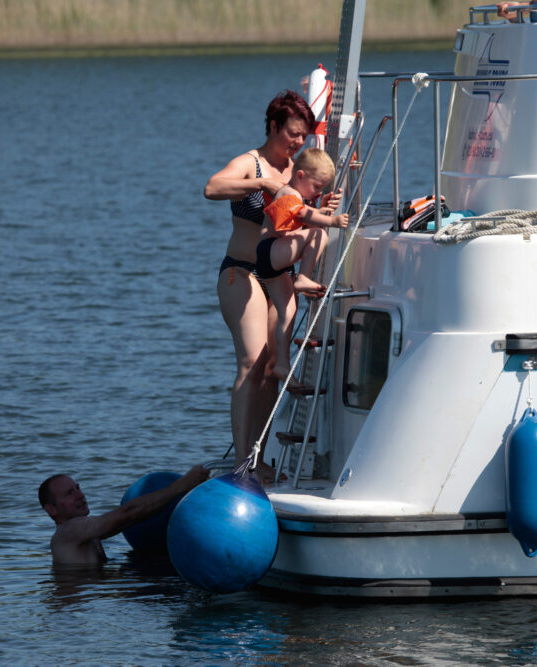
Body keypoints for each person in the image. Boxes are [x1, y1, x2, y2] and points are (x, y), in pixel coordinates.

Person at [203, 90, 340, 481]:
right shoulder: (252, 163)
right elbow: (212, 188)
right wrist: (261, 185)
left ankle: (256, 457)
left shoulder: (301, 168)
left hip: (276, 278)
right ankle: (241, 463)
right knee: (251, 360)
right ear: (274, 126)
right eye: (292, 134)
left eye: (304, 135)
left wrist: (322, 209)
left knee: (268, 368)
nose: (298, 142)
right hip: (241, 273)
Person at [257, 148, 348, 380]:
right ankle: (303, 277)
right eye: (316, 187)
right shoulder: (289, 193)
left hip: (270, 261)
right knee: (320, 234)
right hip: (270, 251)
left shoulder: (297, 197)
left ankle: (282, 364)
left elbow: (300, 218)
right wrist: (331, 220)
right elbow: (304, 214)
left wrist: (320, 209)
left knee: (288, 312)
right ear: (299, 176)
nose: (318, 192)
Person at [39, 465, 209, 567]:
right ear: (51, 509)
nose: (80, 495)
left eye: (78, 488)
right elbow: (128, 513)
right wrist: (182, 485)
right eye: (69, 493)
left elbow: (132, 519)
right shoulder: (67, 532)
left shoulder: (87, 532)